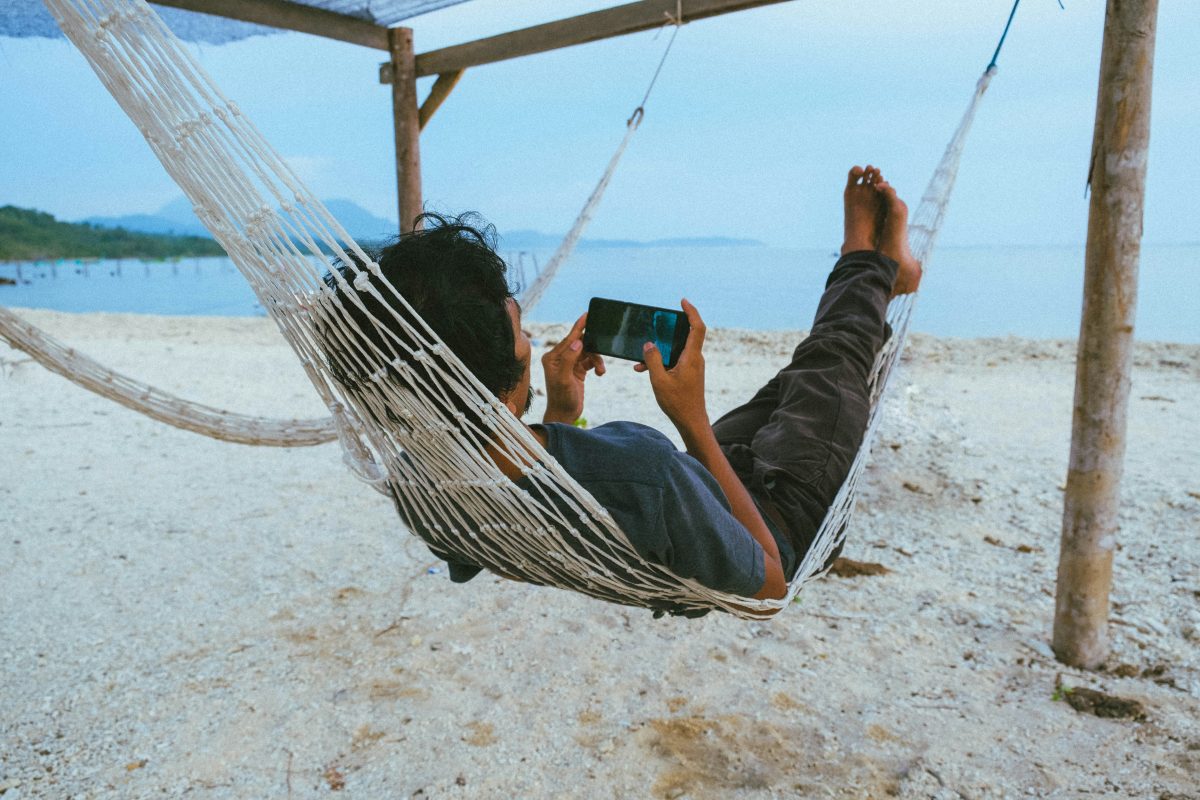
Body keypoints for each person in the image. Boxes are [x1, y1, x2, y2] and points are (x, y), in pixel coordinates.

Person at [323, 165, 920, 609]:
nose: (530, 338)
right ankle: (869, 262)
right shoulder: (641, 465)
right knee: (833, 360)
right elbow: (769, 583)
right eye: (519, 329)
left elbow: (495, 521)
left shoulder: (418, 483)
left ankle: (872, 272)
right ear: (503, 378)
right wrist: (690, 418)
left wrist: (560, 414)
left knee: (804, 377)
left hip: (694, 506)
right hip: (774, 524)